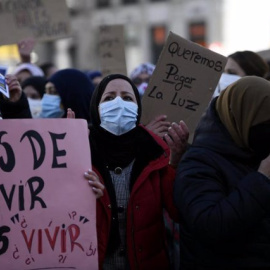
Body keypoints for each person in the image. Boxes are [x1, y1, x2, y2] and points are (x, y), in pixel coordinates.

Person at [82, 74, 189, 270]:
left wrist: (176, 162)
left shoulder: (157, 151)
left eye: (127, 98)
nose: (119, 103)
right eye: (109, 98)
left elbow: (178, 211)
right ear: (96, 107)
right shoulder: (79, 149)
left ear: (138, 107)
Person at [174, 76, 270, 270]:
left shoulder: (255, 153)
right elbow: (209, 225)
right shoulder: (198, 163)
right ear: (241, 117)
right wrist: (262, 179)